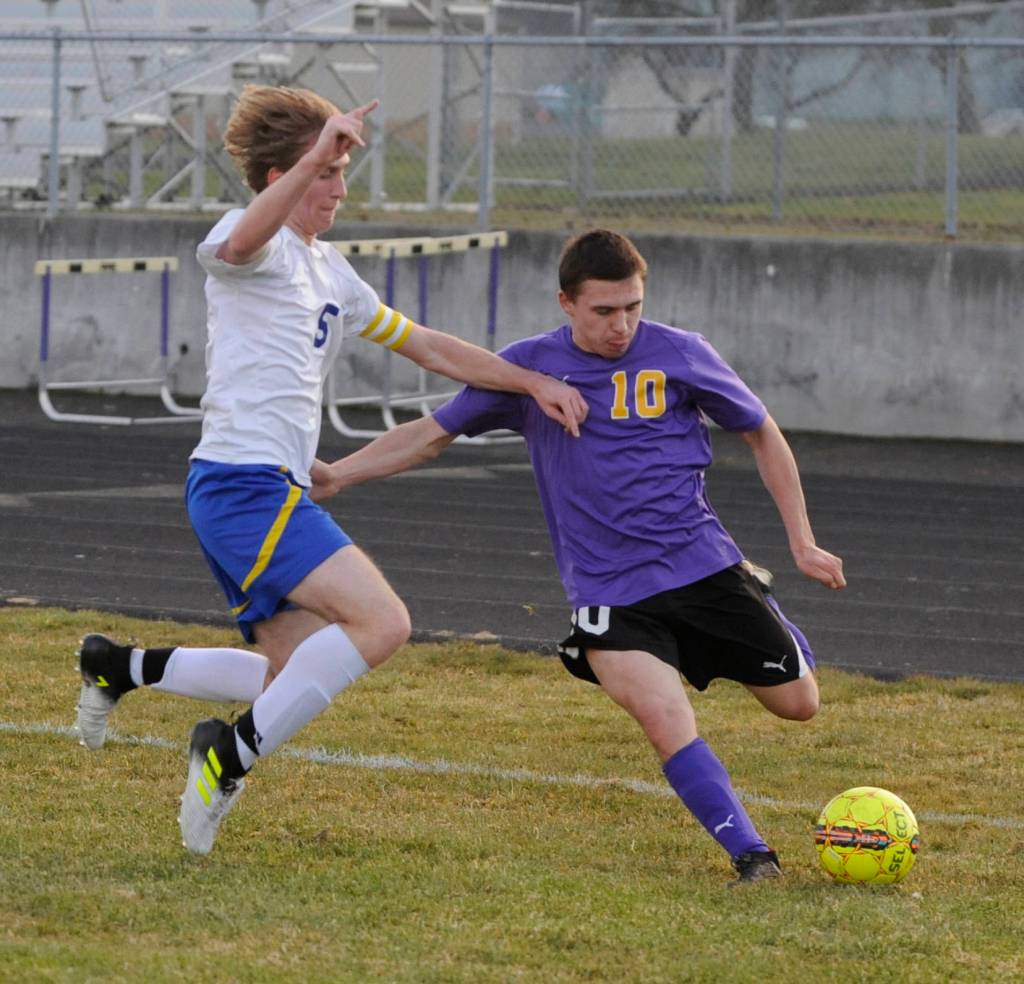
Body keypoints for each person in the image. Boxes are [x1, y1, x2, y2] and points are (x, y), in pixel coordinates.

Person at [74, 84, 587, 856]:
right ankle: (225, 758)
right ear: (285, 171)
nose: (340, 189)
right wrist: (313, 152)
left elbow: (430, 347)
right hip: (241, 486)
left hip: (258, 483)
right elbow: (244, 241)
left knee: (286, 672)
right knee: (383, 623)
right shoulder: (252, 245)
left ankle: (117, 665)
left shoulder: (329, 271)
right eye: (326, 173)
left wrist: (533, 381)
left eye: (342, 172)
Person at [309, 229, 847, 885]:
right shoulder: (528, 371)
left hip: (703, 568)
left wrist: (801, 540)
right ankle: (753, 856)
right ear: (567, 302)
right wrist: (338, 474)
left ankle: (764, 610)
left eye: (632, 308)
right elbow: (430, 435)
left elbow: (760, 430)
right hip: (609, 591)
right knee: (662, 715)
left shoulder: (681, 353)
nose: (621, 325)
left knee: (800, 705)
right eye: (603, 311)